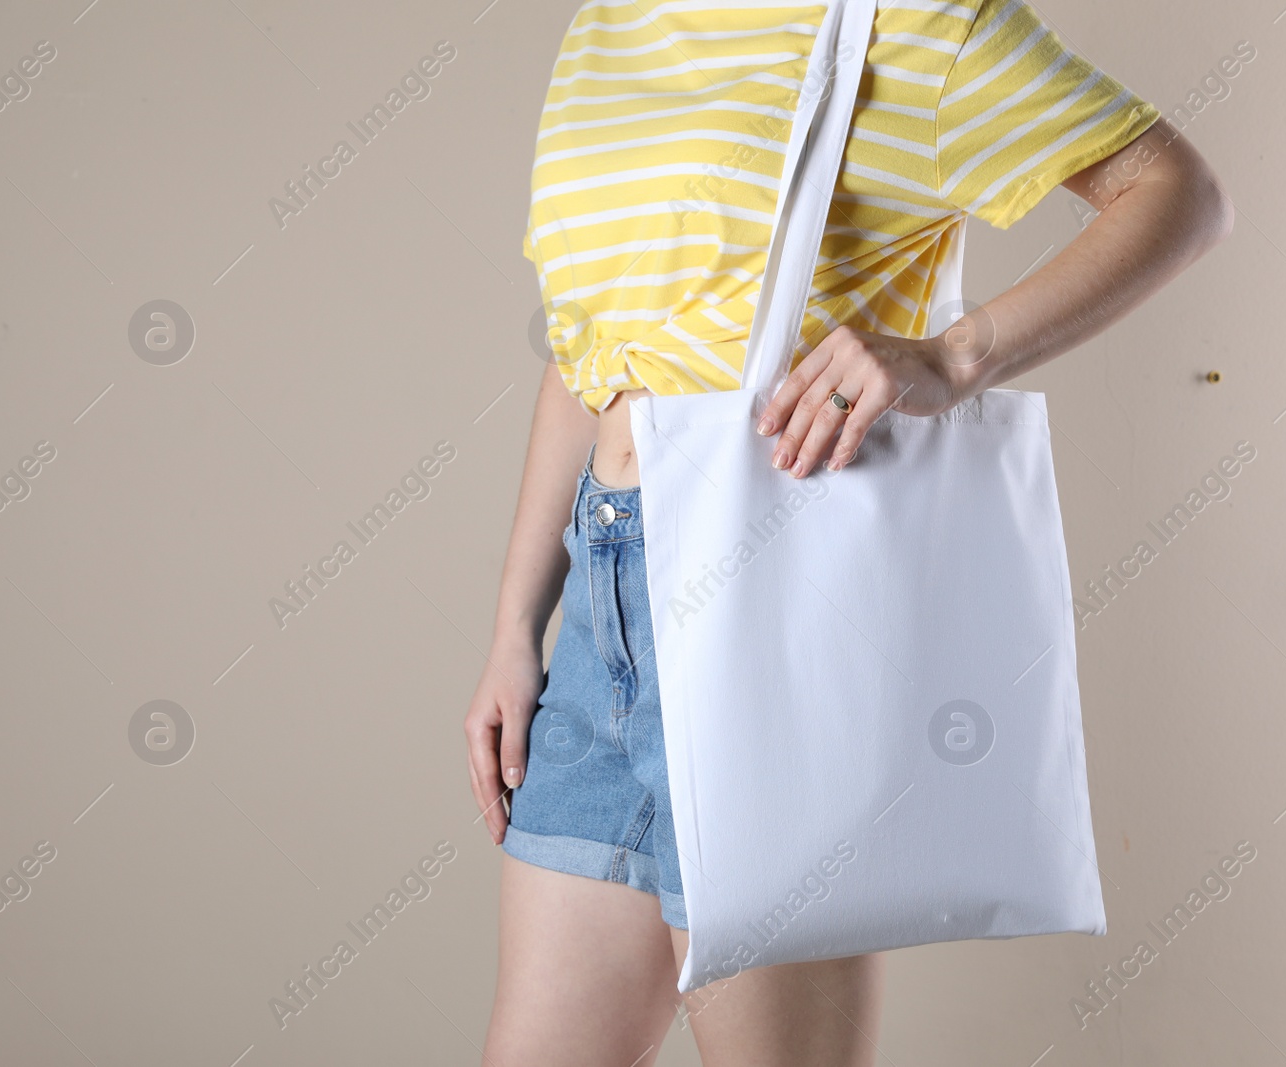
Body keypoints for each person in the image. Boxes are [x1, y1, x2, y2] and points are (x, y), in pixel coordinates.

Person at [466, 0, 1232, 1062]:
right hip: (603, 609)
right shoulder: (613, 21)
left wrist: (956, 355)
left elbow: (1179, 196)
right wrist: (518, 622)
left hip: (764, 599)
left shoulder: (913, 22)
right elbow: (588, 347)